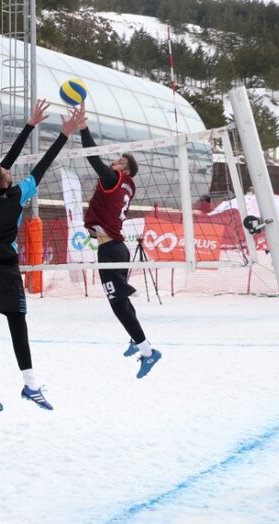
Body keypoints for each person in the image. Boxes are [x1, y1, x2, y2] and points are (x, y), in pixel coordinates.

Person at [0, 100, 85, 412]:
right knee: (17, 325)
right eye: (6, 172)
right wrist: (64, 134)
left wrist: (30, 125)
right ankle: (31, 385)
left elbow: (3, 165)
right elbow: (43, 165)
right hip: (6, 272)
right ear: (6, 182)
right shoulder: (16, 195)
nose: (8, 170)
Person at [77, 106, 161, 379]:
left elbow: (93, 158)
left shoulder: (116, 179)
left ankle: (148, 351)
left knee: (116, 304)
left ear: (125, 170)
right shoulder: (128, 186)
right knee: (121, 302)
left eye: (119, 161)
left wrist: (82, 128)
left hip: (111, 249)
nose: (114, 161)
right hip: (115, 248)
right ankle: (135, 339)